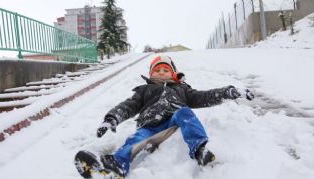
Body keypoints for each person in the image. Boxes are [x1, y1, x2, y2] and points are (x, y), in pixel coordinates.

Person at [95, 55, 242, 177]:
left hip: (173, 121)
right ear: (151, 74)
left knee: (185, 112)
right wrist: (112, 118)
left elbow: (204, 97)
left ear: (173, 73)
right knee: (135, 139)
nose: (161, 72)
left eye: (166, 70)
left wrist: (225, 92)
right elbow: (128, 105)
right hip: (149, 126)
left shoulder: (182, 88)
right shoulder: (145, 90)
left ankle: (199, 149)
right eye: (157, 70)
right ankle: (118, 163)